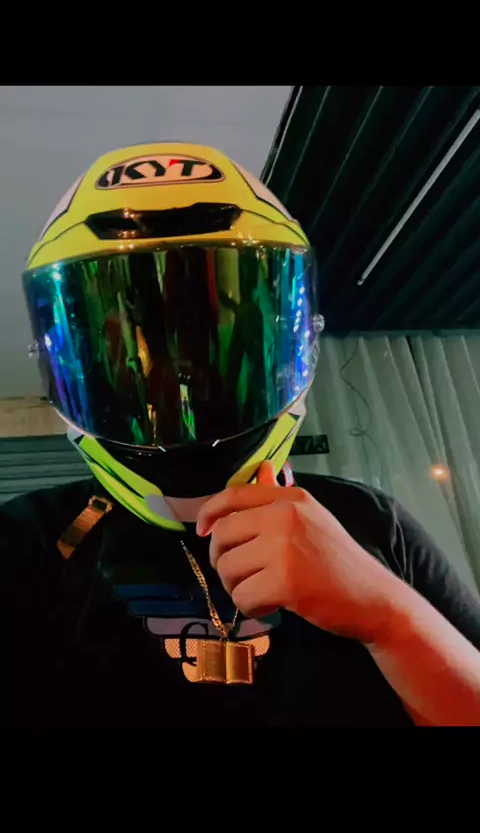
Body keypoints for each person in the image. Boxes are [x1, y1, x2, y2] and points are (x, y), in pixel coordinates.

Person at [3, 142, 480, 727]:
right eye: (140, 357)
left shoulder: (369, 524)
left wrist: (386, 616)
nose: (178, 383)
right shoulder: (25, 545)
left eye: (203, 348)